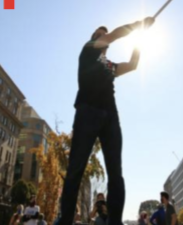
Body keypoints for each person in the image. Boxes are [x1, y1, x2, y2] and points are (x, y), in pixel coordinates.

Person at [58, 18, 155, 225]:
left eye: (104, 34)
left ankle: (115, 221)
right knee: (76, 168)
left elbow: (132, 65)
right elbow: (117, 34)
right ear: (94, 39)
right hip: (87, 112)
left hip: (110, 116)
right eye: (98, 34)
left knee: (115, 172)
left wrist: (140, 38)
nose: (102, 36)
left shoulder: (109, 65)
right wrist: (139, 24)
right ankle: (65, 220)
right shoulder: (88, 50)